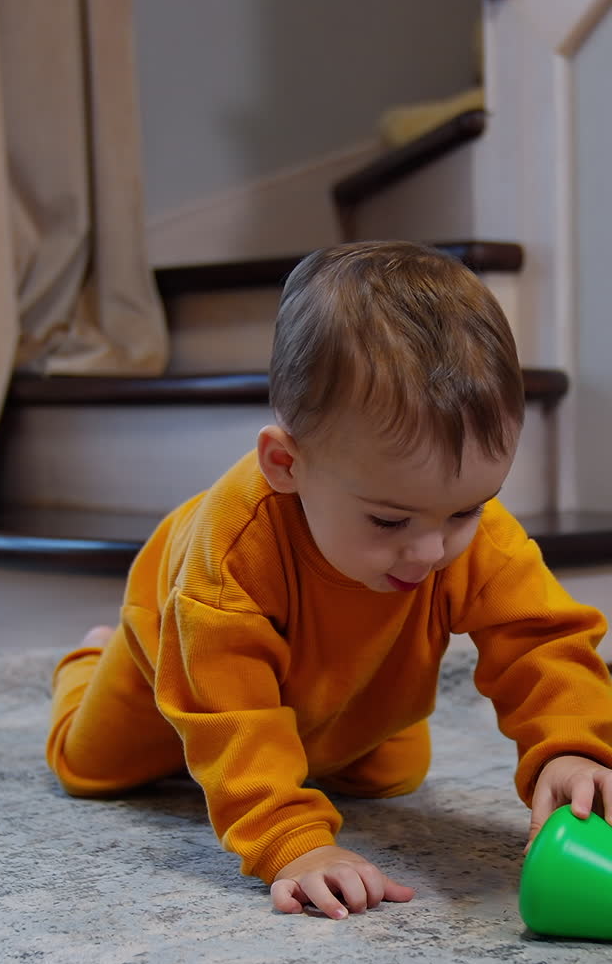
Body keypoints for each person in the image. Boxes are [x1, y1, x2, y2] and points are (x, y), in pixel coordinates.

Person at [46, 241, 612, 920]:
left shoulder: (464, 535)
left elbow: (540, 640)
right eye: (388, 520)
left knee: (392, 776)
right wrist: (290, 841)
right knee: (88, 769)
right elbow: (232, 715)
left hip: (343, 688)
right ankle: (87, 658)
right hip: (178, 656)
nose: (431, 549)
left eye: (465, 509)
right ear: (286, 464)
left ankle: (321, 733)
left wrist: (570, 749)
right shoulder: (226, 560)